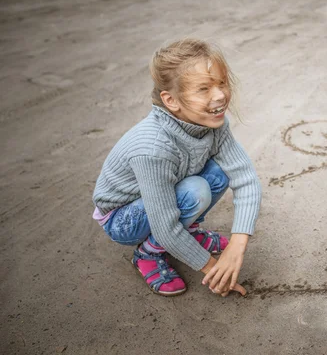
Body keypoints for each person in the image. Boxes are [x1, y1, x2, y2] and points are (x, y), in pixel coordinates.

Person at [92, 38, 261, 297]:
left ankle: (188, 232)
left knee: (221, 169)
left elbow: (245, 178)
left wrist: (237, 245)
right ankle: (147, 254)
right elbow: (164, 227)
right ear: (171, 101)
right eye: (204, 89)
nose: (220, 95)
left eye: (222, 83)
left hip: (164, 196)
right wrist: (215, 269)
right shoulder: (153, 148)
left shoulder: (212, 123)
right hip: (123, 218)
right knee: (195, 191)